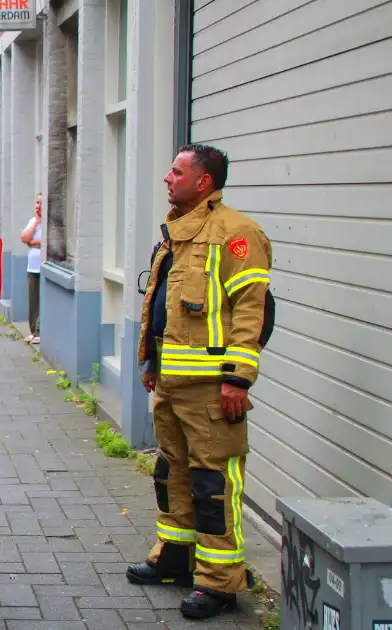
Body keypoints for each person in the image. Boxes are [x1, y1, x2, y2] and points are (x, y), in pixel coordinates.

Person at [128, 144, 272, 620]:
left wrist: (238, 379)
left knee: (213, 485)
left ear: (204, 181)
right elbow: (164, 306)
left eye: (177, 171)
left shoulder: (236, 233)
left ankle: (219, 582)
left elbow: (251, 310)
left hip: (213, 388)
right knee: (172, 474)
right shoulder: (177, 233)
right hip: (171, 381)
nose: (168, 178)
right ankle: (174, 559)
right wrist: (151, 362)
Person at [19, 193, 43, 344]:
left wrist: (32, 242)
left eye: (41, 203)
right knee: (32, 301)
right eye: (36, 202)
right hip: (32, 267)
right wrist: (36, 223)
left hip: (42, 268)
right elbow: (24, 238)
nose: (37, 206)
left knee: (41, 301)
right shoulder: (33, 221)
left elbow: (46, 242)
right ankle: (33, 331)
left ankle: (40, 331)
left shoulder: (50, 223)